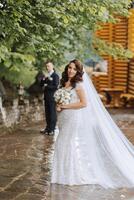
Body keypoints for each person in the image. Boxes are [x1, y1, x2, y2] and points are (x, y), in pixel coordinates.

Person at [51, 59, 134, 188]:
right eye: (69, 68)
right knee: (62, 143)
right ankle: (60, 174)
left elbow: (83, 103)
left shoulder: (78, 85)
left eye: (74, 69)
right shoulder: (64, 83)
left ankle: (69, 175)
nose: (70, 70)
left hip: (72, 118)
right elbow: (61, 100)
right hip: (63, 118)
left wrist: (65, 106)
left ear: (78, 71)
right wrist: (59, 105)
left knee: (65, 143)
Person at [40, 61, 59, 135]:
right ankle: (47, 128)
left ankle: (52, 129)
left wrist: (46, 86)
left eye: (48, 66)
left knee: (52, 113)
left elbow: (56, 86)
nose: (47, 67)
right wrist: (43, 79)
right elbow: (41, 84)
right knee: (47, 113)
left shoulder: (55, 76)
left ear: (52, 66)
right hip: (46, 97)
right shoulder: (47, 75)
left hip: (52, 97)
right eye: (46, 66)